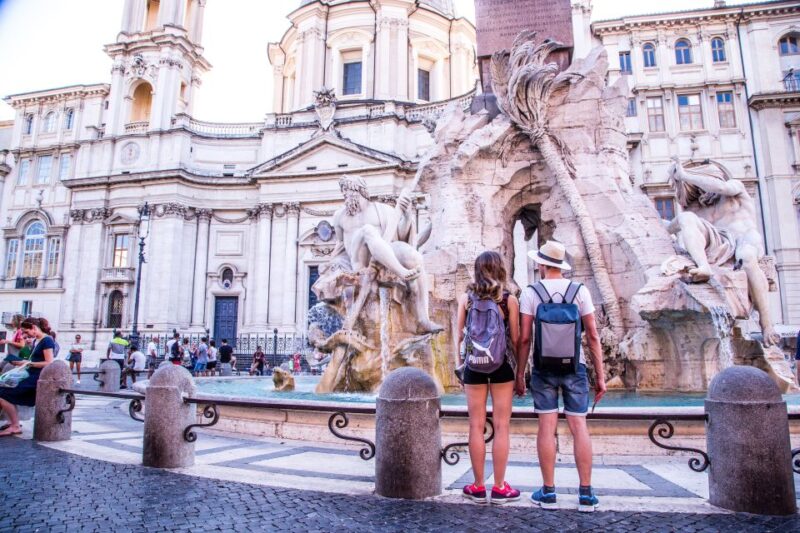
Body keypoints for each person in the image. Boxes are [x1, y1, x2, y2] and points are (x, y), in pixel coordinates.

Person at [516, 240, 607, 513]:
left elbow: (524, 339)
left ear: (541, 264)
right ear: (562, 266)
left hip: (543, 368)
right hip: (575, 367)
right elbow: (593, 336)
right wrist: (600, 376)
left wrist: (520, 373)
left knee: (546, 427)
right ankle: (586, 494)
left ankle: (549, 491)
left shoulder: (531, 292)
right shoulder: (580, 291)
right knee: (579, 426)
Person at [457, 251, 521, 505]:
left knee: (476, 425)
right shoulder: (508, 300)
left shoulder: (466, 299)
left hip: (474, 366)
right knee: (502, 425)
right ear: (500, 270)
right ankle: (500, 487)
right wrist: (520, 371)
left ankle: (478, 486)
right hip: (501, 366)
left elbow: (459, 336)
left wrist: (460, 366)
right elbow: (516, 339)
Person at [0, 317, 56, 436]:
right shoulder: (38, 340)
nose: (25, 335)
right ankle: (13, 422)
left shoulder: (47, 340)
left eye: (26, 331)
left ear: (34, 328)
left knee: (3, 394)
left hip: (36, 378)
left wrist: (28, 363)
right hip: (30, 374)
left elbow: (49, 362)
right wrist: (23, 362)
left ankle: (15, 425)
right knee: (3, 391)